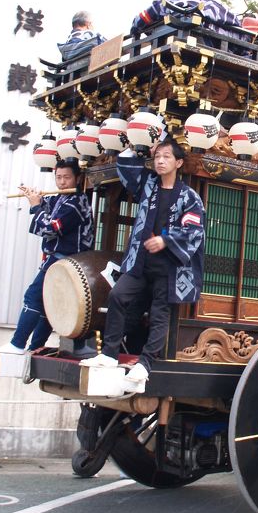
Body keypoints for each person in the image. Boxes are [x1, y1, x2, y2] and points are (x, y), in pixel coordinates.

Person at [81, 138, 205, 394]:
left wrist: (166, 240)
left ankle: (145, 364)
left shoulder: (189, 197)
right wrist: (140, 147)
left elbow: (195, 232)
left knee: (160, 315)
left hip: (169, 268)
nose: (160, 161)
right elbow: (125, 165)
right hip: (140, 262)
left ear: (178, 162)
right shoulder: (148, 185)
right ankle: (110, 355)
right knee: (118, 296)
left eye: (166, 157)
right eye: (157, 156)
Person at [0, 160, 95, 358]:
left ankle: (17, 343)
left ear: (78, 178)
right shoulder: (61, 199)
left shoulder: (76, 203)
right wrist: (35, 198)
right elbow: (47, 209)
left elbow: (51, 228)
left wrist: (36, 207)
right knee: (49, 303)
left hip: (67, 262)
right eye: (58, 178)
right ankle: (35, 345)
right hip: (60, 261)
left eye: (67, 178)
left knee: (34, 297)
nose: (62, 182)